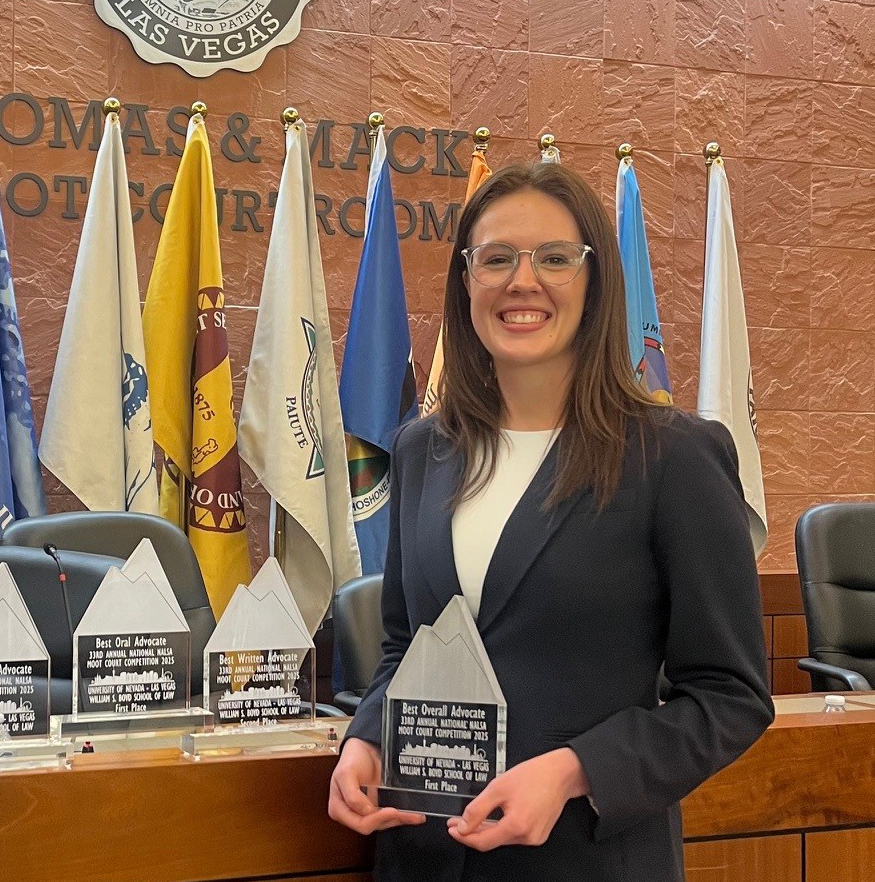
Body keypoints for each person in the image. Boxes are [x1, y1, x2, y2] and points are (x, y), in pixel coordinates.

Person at [327, 161, 773, 881]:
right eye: (495, 258)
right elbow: (407, 644)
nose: (521, 282)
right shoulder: (421, 448)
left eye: (555, 259)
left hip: (584, 857)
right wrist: (367, 738)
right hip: (421, 856)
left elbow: (730, 697)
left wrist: (574, 772)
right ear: (466, 281)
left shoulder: (675, 459)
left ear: (595, 282)